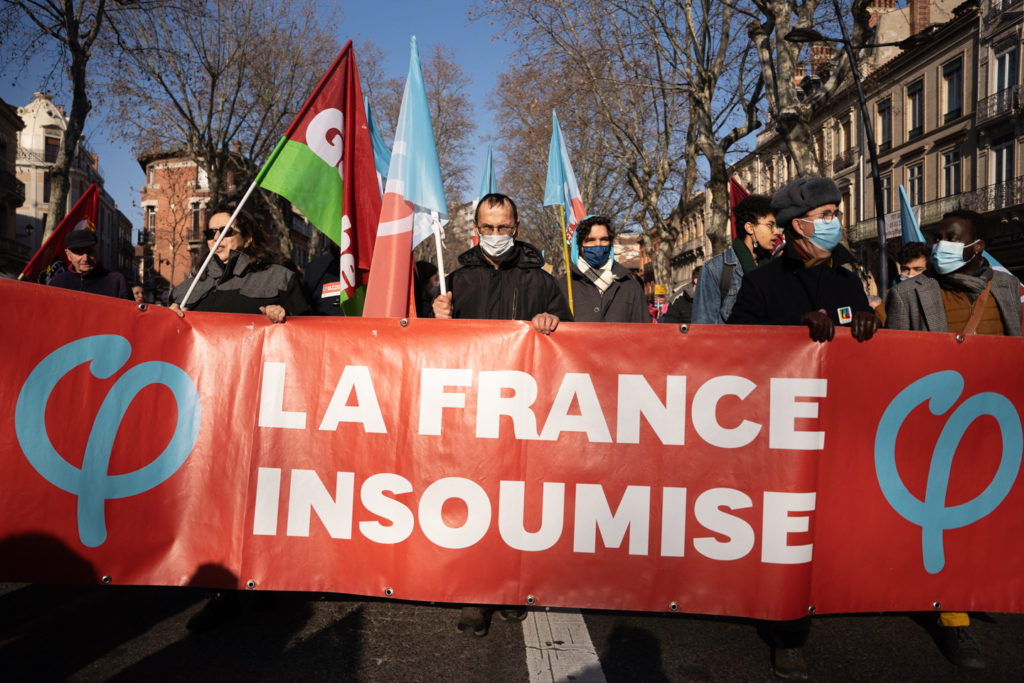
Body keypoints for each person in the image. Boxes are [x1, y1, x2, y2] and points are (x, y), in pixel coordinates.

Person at [885, 211, 1021, 668]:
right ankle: (954, 620)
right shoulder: (908, 293)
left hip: (993, 428)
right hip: (936, 431)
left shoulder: (1004, 289)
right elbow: (897, 370)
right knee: (945, 524)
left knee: (988, 522)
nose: (940, 244)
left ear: (976, 247)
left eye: (950, 238)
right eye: (937, 237)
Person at [728, 177, 878, 345]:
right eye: (825, 215)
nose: (835, 222)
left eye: (835, 214)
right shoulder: (760, 283)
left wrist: (869, 322)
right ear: (799, 226)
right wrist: (795, 327)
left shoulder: (849, 281)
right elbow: (738, 340)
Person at [432, 193, 571, 335]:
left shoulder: (543, 282)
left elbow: (567, 335)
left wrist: (553, 321)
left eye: (503, 227)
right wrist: (436, 317)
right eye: (487, 227)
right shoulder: (453, 284)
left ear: (516, 227)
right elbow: (429, 341)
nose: (495, 235)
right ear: (475, 227)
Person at [170, 210, 310, 323]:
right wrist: (169, 317)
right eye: (210, 233)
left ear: (247, 239)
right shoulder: (185, 289)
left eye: (226, 231)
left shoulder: (280, 278)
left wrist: (286, 317)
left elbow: (310, 327)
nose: (217, 237)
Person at [693, 195, 779, 324]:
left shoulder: (777, 269)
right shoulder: (715, 270)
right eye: (770, 225)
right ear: (750, 228)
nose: (776, 232)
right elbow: (703, 328)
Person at [559, 215, 648, 323]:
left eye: (603, 239)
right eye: (590, 240)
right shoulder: (563, 287)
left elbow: (644, 332)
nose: (598, 245)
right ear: (579, 247)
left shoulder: (630, 286)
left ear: (610, 244)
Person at [48, 229, 132, 300]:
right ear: (68, 255)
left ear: (98, 250)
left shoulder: (116, 282)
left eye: (90, 252)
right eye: (79, 253)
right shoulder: (57, 283)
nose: (85, 258)